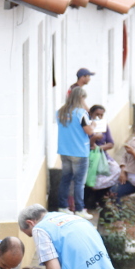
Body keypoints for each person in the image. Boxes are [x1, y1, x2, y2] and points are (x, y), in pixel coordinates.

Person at [56, 86, 94, 220]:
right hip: (79, 151)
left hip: (64, 150)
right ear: (80, 98)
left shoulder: (60, 111)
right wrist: (93, 125)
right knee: (79, 182)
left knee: (65, 179)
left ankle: (62, 206)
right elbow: (89, 131)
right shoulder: (80, 113)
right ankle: (79, 209)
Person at [84, 104, 115, 211]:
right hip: (90, 158)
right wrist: (94, 139)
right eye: (96, 114)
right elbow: (86, 145)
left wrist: (100, 147)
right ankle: (88, 203)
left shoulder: (104, 126)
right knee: (89, 180)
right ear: (91, 114)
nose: (98, 117)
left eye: (101, 115)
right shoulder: (86, 125)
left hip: (102, 157)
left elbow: (111, 143)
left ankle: (102, 200)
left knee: (114, 172)